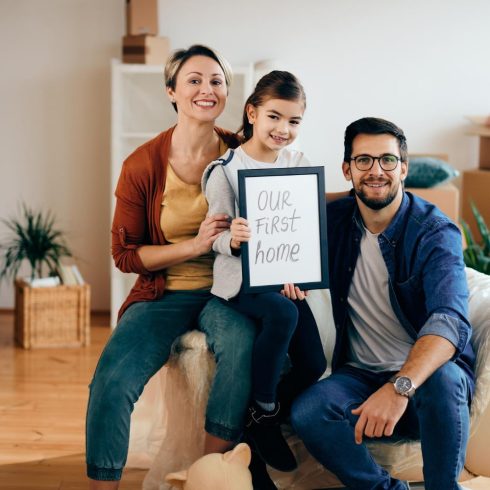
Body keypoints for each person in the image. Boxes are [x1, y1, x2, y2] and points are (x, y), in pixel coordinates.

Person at [85, 45, 257, 489]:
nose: (207, 89)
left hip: (227, 291)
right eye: (194, 80)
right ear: (172, 92)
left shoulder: (244, 153)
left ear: (227, 92)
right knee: (112, 379)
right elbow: (126, 255)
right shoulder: (141, 165)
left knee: (239, 345)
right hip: (164, 293)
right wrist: (195, 244)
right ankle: (103, 483)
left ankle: (207, 475)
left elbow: (282, 208)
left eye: (216, 81)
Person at [291, 117, 475, 490]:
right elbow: (279, 223)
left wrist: (398, 387)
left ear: (404, 168)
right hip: (358, 376)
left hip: (426, 385)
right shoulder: (332, 222)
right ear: (347, 170)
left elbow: (450, 321)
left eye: (387, 160)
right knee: (309, 411)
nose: (376, 171)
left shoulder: (434, 232)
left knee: (445, 377)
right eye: (363, 161)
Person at [202, 71, 326, 479]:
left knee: (313, 362)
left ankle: (256, 421)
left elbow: (305, 231)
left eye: (293, 121)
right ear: (252, 113)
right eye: (274, 117)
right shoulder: (225, 169)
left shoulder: (299, 164)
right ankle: (266, 411)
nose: (283, 129)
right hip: (241, 280)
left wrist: (299, 274)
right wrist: (233, 240)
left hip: (284, 278)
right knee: (283, 315)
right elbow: (214, 238)